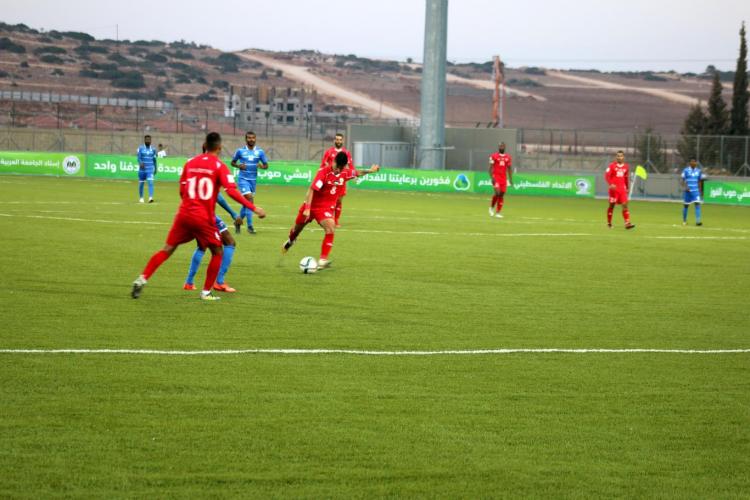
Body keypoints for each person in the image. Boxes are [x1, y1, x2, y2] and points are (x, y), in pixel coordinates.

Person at [131, 132, 266, 301]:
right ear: (219, 147)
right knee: (218, 251)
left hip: (184, 214)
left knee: (167, 249)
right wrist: (253, 208)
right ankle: (206, 292)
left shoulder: (190, 164)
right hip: (204, 217)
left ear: (205, 145)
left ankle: (142, 278)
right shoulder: (219, 166)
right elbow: (231, 191)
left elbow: (182, 191)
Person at [281, 152, 379, 269]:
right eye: (337, 166)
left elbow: (358, 173)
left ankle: (322, 259)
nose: (338, 170)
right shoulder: (323, 172)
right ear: (333, 161)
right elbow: (311, 190)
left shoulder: (345, 172)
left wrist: (371, 170)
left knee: (330, 227)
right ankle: (291, 241)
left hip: (324, 209)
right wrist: (307, 208)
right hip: (310, 205)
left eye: (341, 168)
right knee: (296, 230)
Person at [183, 193, 240, 293]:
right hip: (206, 215)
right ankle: (219, 282)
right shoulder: (208, 178)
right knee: (230, 243)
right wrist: (232, 213)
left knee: (202, 246)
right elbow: (218, 197)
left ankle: (189, 282)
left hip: (191, 214)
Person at [231, 131, 268, 234]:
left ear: (255, 139)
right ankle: (250, 226)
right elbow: (232, 162)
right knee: (250, 200)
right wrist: (238, 166)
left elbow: (266, 166)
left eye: (253, 138)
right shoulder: (240, 151)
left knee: (246, 204)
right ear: (246, 139)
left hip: (253, 181)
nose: (251, 139)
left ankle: (237, 223)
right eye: (249, 138)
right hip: (243, 180)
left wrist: (261, 166)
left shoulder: (260, 152)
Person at [320, 133, 354, 227]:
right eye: (337, 139)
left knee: (339, 201)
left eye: (340, 139)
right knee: (328, 200)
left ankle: (336, 221)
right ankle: (325, 217)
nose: (338, 141)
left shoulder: (346, 153)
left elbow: (350, 166)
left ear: (343, 141)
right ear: (334, 141)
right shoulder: (329, 152)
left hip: (341, 181)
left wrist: (353, 175)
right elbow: (323, 165)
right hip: (330, 181)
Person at [605, 151, 636, 229]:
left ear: (623, 157)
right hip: (614, 190)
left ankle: (627, 223)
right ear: (616, 157)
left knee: (625, 205)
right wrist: (610, 184)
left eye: (621, 156)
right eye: (618, 156)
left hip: (622, 189)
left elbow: (625, 178)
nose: (619, 157)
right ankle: (609, 223)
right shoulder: (612, 166)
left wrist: (627, 187)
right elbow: (607, 176)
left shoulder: (626, 167)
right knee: (612, 206)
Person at [488, 142, 513, 218]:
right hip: (496, 177)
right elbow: (490, 168)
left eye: (503, 146)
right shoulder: (493, 156)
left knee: (501, 194)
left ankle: (498, 212)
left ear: (505, 147)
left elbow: (509, 169)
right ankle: (491, 208)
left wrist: (511, 180)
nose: (501, 147)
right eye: (500, 146)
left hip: (503, 179)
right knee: (497, 193)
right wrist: (492, 177)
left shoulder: (508, 157)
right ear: (498, 147)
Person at [681, 158, 706, 226]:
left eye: (695, 162)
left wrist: (700, 190)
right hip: (688, 191)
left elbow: (699, 181)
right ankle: (684, 221)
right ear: (690, 163)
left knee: (697, 204)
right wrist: (686, 187)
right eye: (692, 162)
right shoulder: (685, 170)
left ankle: (698, 221)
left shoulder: (698, 171)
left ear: (696, 163)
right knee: (686, 206)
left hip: (695, 191)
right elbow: (683, 180)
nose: (693, 163)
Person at [137, 135, 158, 203]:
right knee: (141, 184)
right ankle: (141, 198)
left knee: (150, 182)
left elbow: (154, 159)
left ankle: (150, 198)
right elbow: (138, 158)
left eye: (149, 140)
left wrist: (156, 168)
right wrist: (140, 162)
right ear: (144, 140)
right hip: (142, 170)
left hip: (150, 169)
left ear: (151, 141)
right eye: (147, 140)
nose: (148, 141)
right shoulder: (141, 148)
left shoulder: (153, 149)